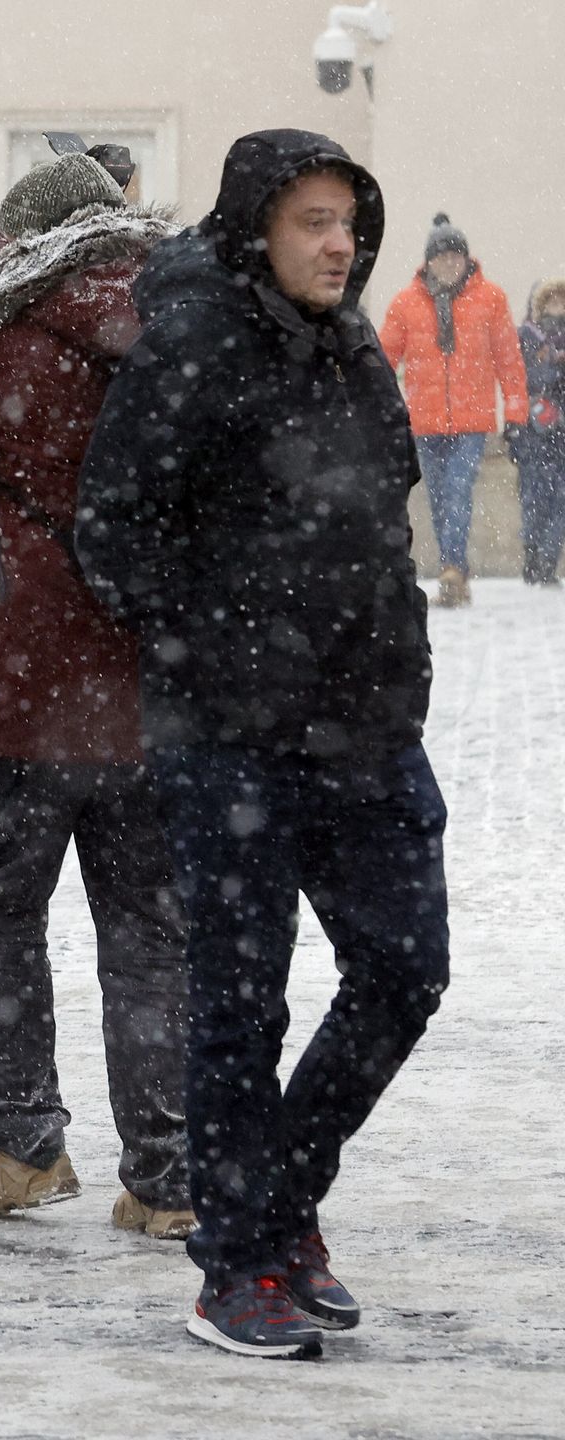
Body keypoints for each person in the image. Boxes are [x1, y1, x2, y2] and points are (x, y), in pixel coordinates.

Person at [77, 130, 449, 1359]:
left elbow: (383, 521)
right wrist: (222, 656)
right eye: (312, 222)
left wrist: (398, 664)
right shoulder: (189, 345)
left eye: (350, 221)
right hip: (231, 738)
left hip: (367, 728)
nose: (338, 244)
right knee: (242, 1002)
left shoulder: (352, 352)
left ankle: (277, 1203)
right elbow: (114, 532)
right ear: (257, 227)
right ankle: (238, 1263)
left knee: (406, 970)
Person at [0, 154, 192, 1238]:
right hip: (153, 692)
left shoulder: (9, 345)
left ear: (27, 245)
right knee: (152, 931)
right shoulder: (182, 337)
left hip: (25, 691)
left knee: (4, 920)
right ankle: (166, 1174)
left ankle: (25, 1146)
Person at [380, 212, 530, 608]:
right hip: (424, 419)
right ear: (427, 262)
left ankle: (451, 568)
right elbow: (382, 359)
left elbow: (508, 360)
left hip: (472, 418)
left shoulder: (490, 299)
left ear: (466, 260)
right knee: (439, 496)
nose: (448, 262)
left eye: (454, 256)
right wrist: (379, 409)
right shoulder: (405, 302)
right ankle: (456, 571)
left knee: (458, 490)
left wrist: (515, 413)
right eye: (440, 256)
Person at [510, 279, 565, 586]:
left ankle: (548, 559)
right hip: (534, 433)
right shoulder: (527, 337)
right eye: (551, 301)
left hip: (563, 434)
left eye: (562, 301)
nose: (557, 308)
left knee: (561, 501)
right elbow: (521, 376)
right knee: (534, 497)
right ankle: (532, 555)